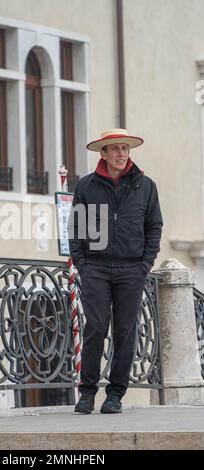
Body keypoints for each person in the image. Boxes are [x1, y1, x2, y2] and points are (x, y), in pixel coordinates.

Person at [67, 128, 163, 414]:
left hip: (132, 268)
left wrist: (146, 263)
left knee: (125, 331)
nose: (122, 154)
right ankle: (86, 393)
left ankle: (115, 395)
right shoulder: (86, 185)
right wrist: (82, 262)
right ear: (104, 153)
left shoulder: (146, 186)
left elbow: (154, 226)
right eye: (116, 149)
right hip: (95, 267)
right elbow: (76, 228)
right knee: (95, 327)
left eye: (125, 149)